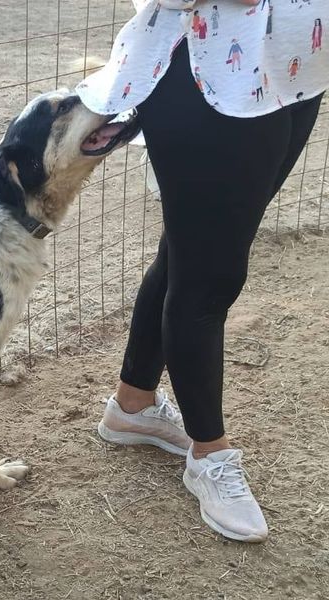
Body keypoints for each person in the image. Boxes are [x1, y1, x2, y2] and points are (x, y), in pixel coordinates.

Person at [76, 0, 327, 543]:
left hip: (293, 66)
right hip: (210, 69)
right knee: (210, 279)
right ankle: (208, 454)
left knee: (192, 251)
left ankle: (132, 406)